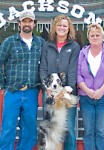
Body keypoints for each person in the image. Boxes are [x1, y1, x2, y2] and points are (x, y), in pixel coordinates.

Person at [0, 10, 45, 150]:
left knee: (30, 132)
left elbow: (46, 66)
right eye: (24, 21)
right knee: (8, 129)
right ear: (19, 24)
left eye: (30, 21)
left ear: (34, 24)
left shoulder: (41, 43)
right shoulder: (9, 42)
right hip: (13, 92)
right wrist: (2, 83)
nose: (27, 24)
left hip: (32, 92)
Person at [39, 14, 80, 150]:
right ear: (55, 27)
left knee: (68, 130)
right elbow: (43, 69)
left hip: (67, 94)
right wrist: (47, 88)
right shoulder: (47, 45)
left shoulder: (74, 46)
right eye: (59, 25)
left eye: (65, 26)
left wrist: (66, 91)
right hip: (50, 94)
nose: (62, 28)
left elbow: (73, 71)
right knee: (51, 129)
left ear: (69, 29)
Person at [77, 23, 104, 150]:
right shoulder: (82, 53)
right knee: (88, 132)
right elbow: (78, 74)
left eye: (97, 35)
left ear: (103, 37)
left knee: (101, 132)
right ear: (88, 37)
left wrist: (101, 90)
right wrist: (87, 90)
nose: (95, 37)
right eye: (92, 35)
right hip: (86, 98)